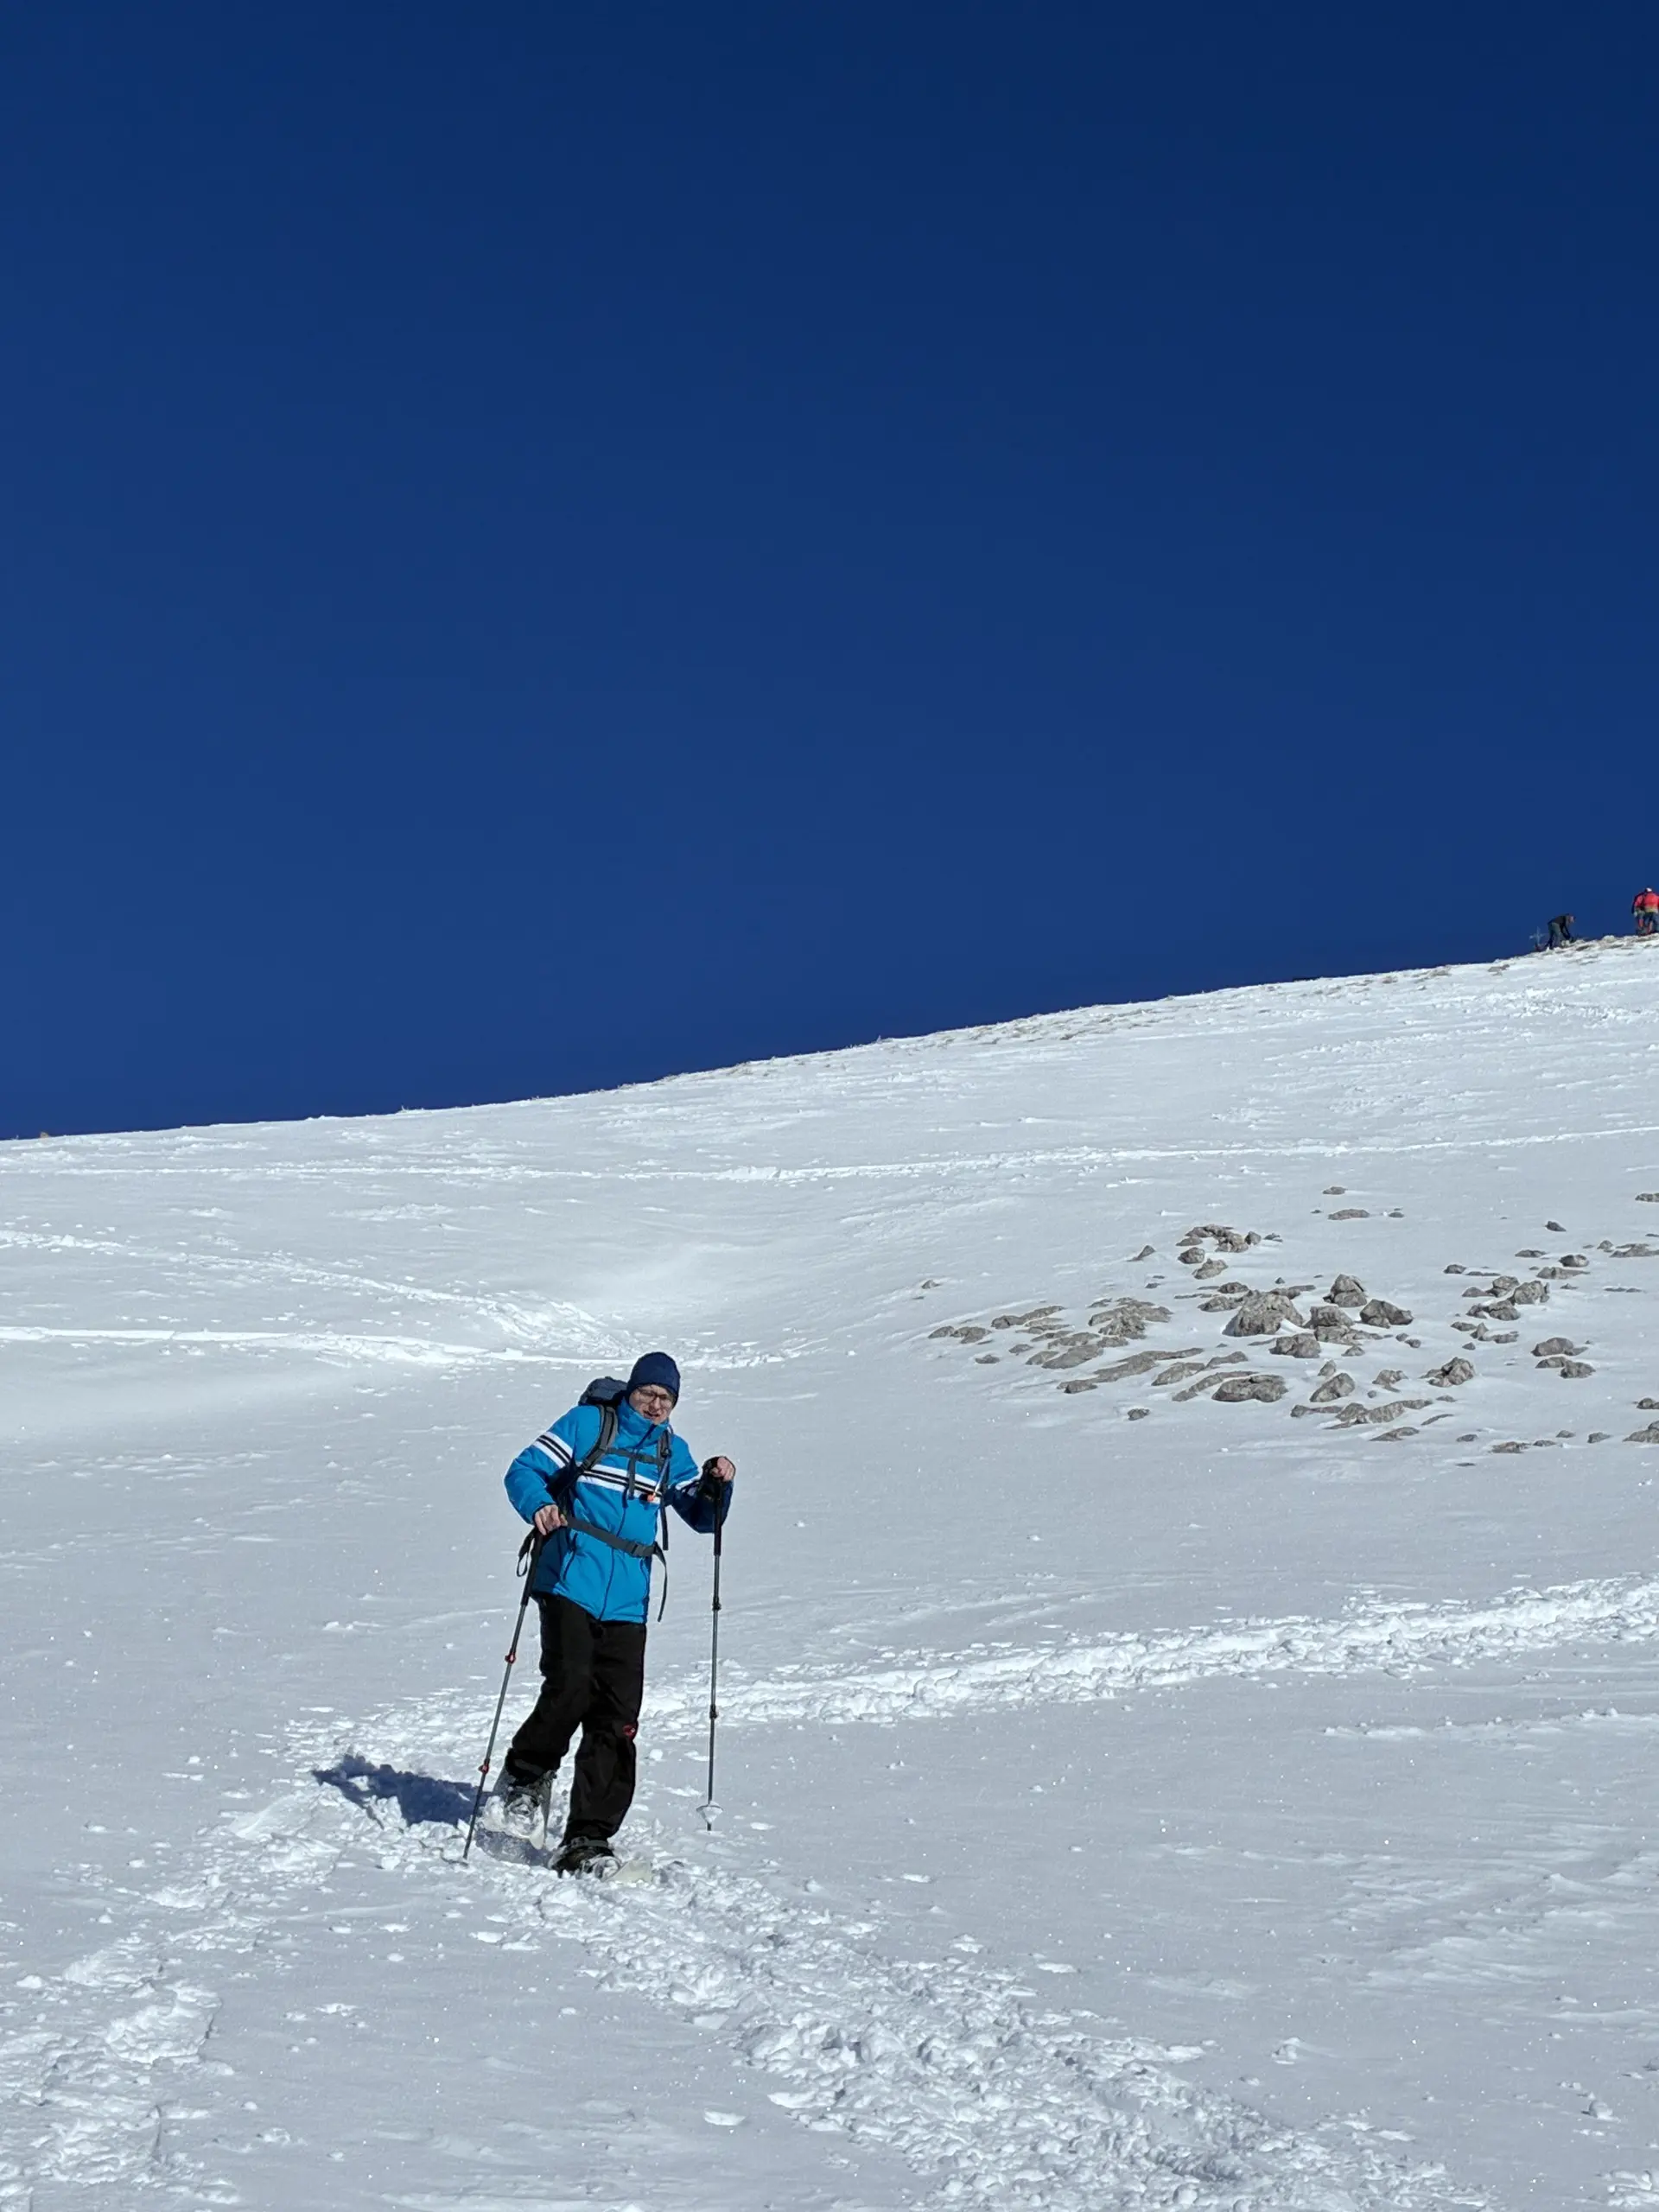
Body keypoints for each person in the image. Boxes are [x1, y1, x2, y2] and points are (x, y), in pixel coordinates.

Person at [491, 1351, 734, 1873]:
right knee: (571, 1685)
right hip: (569, 1579)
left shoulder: (672, 1450)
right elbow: (524, 1470)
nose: (654, 1405)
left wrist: (718, 1484)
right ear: (631, 1390)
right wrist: (539, 1505)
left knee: (618, 1719)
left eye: (665, 1399)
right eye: (647, 1393)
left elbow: (700, 1515)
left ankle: (587, 1840)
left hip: (630, 1600)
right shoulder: (587, 1426)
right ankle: (526, 1777)